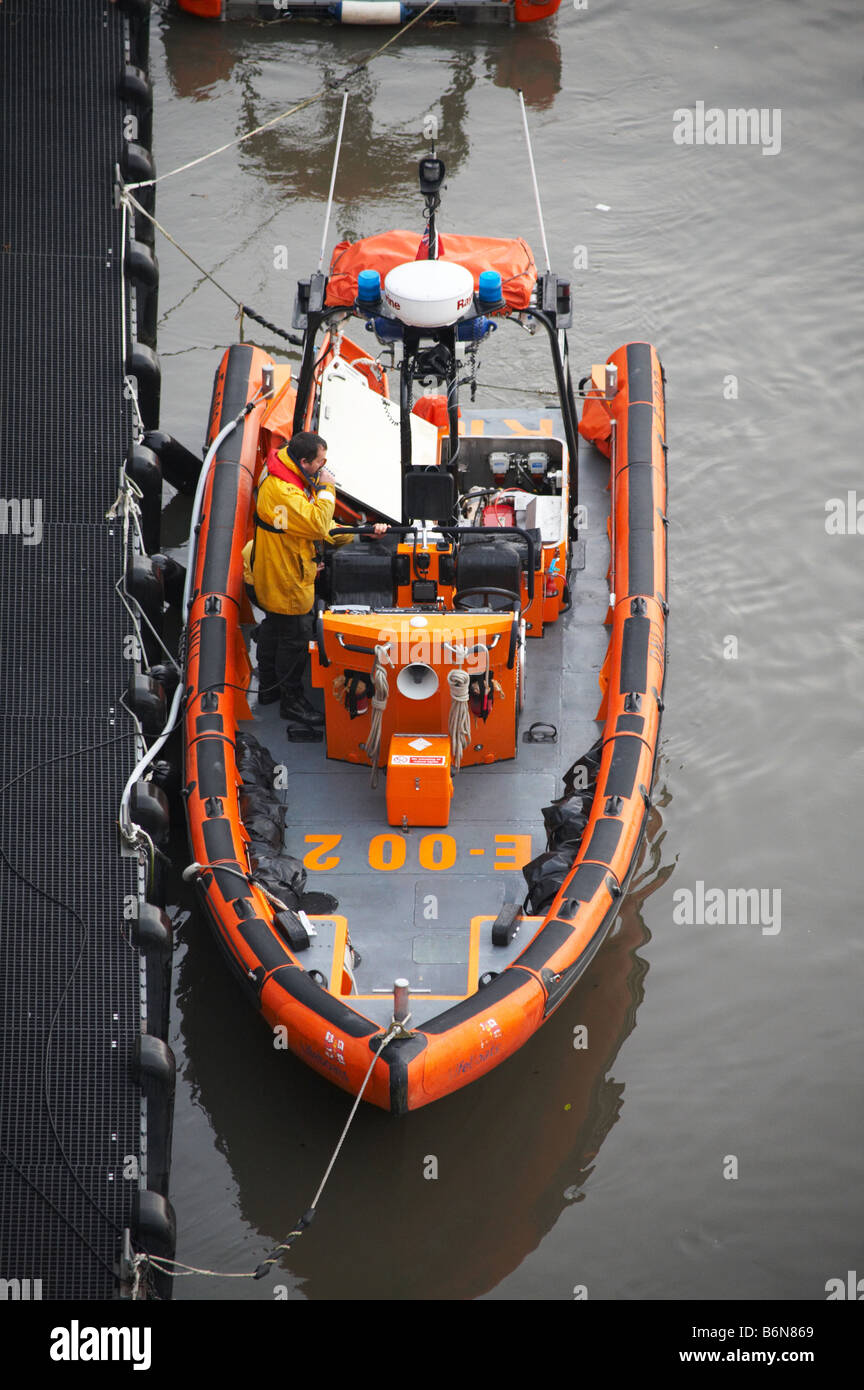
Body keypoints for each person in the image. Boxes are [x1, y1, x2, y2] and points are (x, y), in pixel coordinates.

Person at [251, 431, 386, 730]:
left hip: (277, 567)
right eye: (320, 462)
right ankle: (291, 701)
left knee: (273, 628)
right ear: (303, 461)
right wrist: (327, 489)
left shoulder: (287, 475)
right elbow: (315, 523)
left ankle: (269, 688)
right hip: (286, 576)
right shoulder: (282, 490)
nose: (325, 468)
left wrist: (361, 532)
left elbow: (311, 524)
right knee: (295, 637)